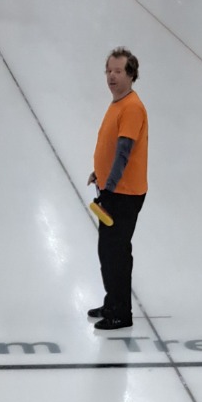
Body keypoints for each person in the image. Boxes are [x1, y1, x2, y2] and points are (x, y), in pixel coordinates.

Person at [87, 47, 148, 332]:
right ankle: (112, 302)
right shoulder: (118, 104)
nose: (111, 77)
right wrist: (99, 174)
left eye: (118, 71)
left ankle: (121, 312)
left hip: (123, 195)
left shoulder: (132, 107)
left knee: (117, 254)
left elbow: (123, 153)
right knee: (107, 251)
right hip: (113, 190)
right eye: (109, 71)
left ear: (131, 75)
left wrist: (109, 190)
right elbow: (111, 147)